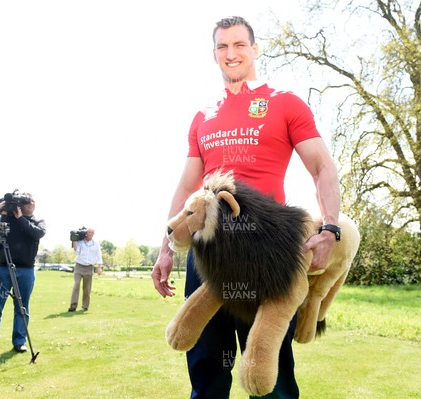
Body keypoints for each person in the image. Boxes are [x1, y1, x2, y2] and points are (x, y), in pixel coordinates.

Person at [151, 16, 341, 398]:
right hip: (208, 252)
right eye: (222, 46)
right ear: (214, 54)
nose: (231, 53)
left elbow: (322, 167)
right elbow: (188, 186)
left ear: (255, 49)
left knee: (269, 374)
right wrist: (166, 248)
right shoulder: (203, 117)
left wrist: (330, 229)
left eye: (239, 44)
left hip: (266, 250)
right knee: (207, 369)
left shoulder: (284, 103)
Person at [0, 192, 46, 354]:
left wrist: (20, 218)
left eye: (33, 201)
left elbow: (37, 233)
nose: (31, 203)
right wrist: (0, 211)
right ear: (20, 204)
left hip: (26, 270)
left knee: (22, 307)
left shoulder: (38, 221)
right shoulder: (6, 217)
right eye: (27, 201)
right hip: (2, 268)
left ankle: (19, 341)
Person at [68, 228, 103, 312]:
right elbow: (77, 252)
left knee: (87, 288)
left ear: (94, 234)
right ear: (86, 233)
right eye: (89, 232)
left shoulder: (96, 243)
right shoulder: (80, 241)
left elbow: (99, 255)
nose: (90, 233)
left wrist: (99, 267)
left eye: (92, 232)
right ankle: (73, 306)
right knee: (76, 285)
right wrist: (74, 241)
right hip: (79, 266)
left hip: (89, 267)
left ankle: (85, 305)